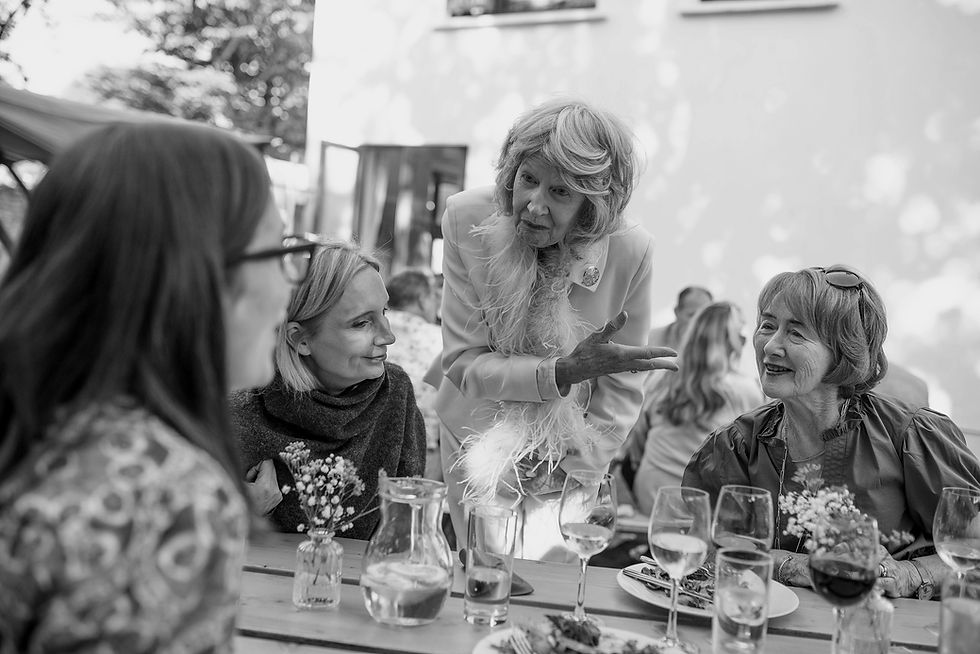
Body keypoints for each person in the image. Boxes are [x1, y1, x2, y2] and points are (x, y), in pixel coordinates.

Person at [0, 122, 294, 652]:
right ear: (197, 277)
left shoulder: (39, 426)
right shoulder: (165, 497)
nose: (289, 286)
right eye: (279, 252)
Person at [432, 98, 678, 561]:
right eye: (528, 179)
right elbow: (463, 363)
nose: (534, 205)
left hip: (572, 441)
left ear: (593, 206)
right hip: (476, 431)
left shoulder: (631, 250)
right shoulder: (466, 218)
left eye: (561, 192)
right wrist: (558, 373)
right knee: (486, 575)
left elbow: (623, 384)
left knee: (554, 582)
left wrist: (579, 466)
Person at [683, 264, 980, 599]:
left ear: (842, 351)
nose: (770, 346)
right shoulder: (736, 446)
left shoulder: (908, 436)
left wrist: (913, 574)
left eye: (796, 333)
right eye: (767, 325)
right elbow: (701, 554)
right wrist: (792, 565)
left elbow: (973, 550)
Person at [231, 239, 427, 540]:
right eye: (361, 323)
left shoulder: (395, 392)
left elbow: (405, 532)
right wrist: (240, 513)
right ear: (300, 339)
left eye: (384, 312)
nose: (389, 337)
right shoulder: (242, 407)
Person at [630, 301, 763, 514]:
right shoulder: (744, 390)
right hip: (701, 509)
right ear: (734, 340)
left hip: (651, 501)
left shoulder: (662, 378)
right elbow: (753, 463)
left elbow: (636, 444)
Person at [385, 268, 444, 480]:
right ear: (422, 300)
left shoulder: (374, 329)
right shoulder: (439, 340)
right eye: (433, 297)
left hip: (370, 440)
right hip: (422, 448)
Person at [647, 285, 714, 353]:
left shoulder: (715, 344)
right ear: (677, 312)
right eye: (691, 315)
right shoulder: (651, 339)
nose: (699, 322)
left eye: (704, 317)